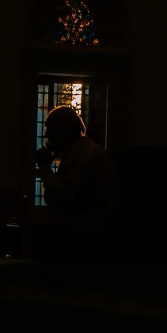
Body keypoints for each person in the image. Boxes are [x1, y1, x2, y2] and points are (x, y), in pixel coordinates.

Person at [32, 105, 120, 258]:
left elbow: (64, 198)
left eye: (50, 130)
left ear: (63, 132)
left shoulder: (83, 156)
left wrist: (45, 168)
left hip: (91, 231)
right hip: (86, 225)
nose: (47, 136)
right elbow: (55, 200)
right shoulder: (77, 153)